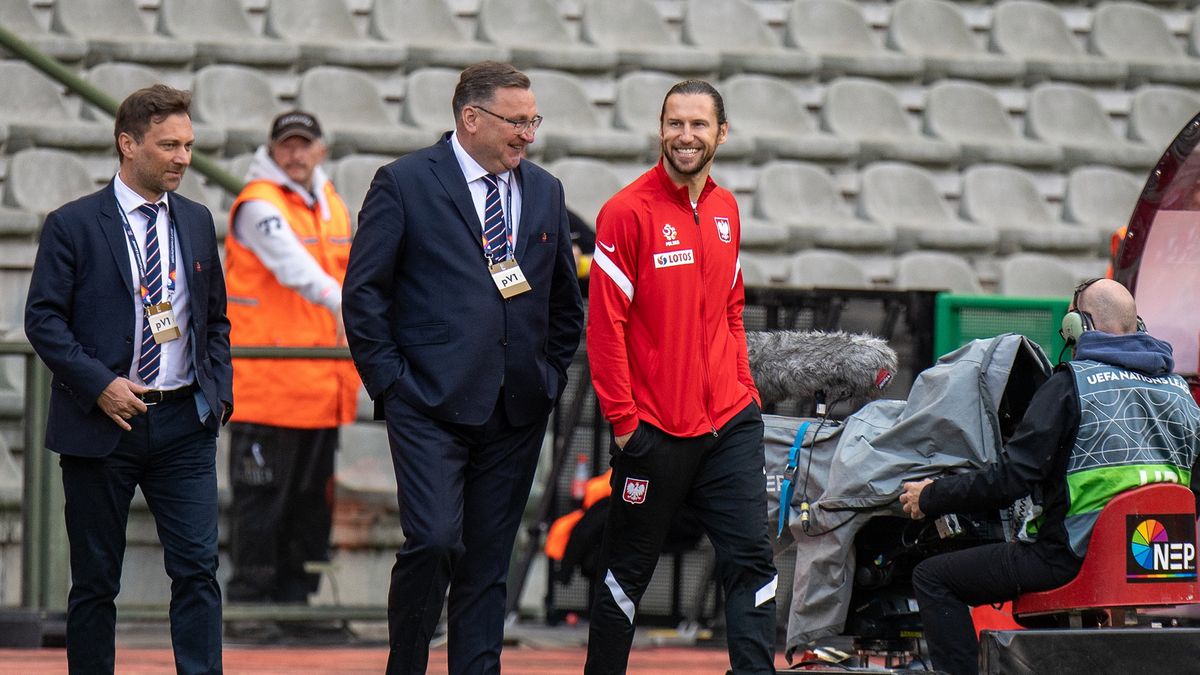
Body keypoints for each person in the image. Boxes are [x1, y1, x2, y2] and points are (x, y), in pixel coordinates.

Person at [342, 61, 584, 674]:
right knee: (433, 541)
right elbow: (365, 295)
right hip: (427, 403)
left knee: (486, 563)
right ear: (471, 118)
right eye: (517, 121)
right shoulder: (404, 182)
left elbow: (564, 302)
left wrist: (548, 379)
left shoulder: (547, 190)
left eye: (534, 120)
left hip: (517, 408)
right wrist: (393, 387)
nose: (528, 134)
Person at [24, 84, 232, 674]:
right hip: (102, 421)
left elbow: (215, 320)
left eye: (188, 146)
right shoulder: (72, 224)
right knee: (95, 582)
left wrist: (216, 396)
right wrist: (100, 384)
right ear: (127, 144)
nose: (183, 158)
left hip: (184, 424)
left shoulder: (196, 220)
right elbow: (42, 319)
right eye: (168, 145)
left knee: (198, 571)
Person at [899, 278, 1200, 675]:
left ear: (1078, 326)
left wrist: (931, 495)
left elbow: (1010, 481)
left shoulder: (1070, 386)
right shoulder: (1181, 392)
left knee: (933, 577)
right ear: (1137, 325)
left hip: (1072, 561)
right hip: (1155, 563)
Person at [584, 80, 779, 675]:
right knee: (627, 574)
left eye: (698, 125)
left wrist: (744, 391)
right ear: (660, 129)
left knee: (752, 562)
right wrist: (624, 426)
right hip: (653, 433)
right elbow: (605, 329)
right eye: (674, 124)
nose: (685, 136)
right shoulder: (625, 212)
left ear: (721, 133)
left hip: (729, 423)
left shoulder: (726, 208)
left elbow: (731, 309)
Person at [222, 111, 360, 641]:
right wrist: (357, 310)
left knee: (307, 508)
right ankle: (251, 604)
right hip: (268, 387)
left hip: (321, 388)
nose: (296, 155)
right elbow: (296, 272)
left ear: (321, 150)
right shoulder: (260, 203)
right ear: (273, 150)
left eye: (305, 145)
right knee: (262, 502)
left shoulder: (331, 206)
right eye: (287, 146)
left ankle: (297, 606)